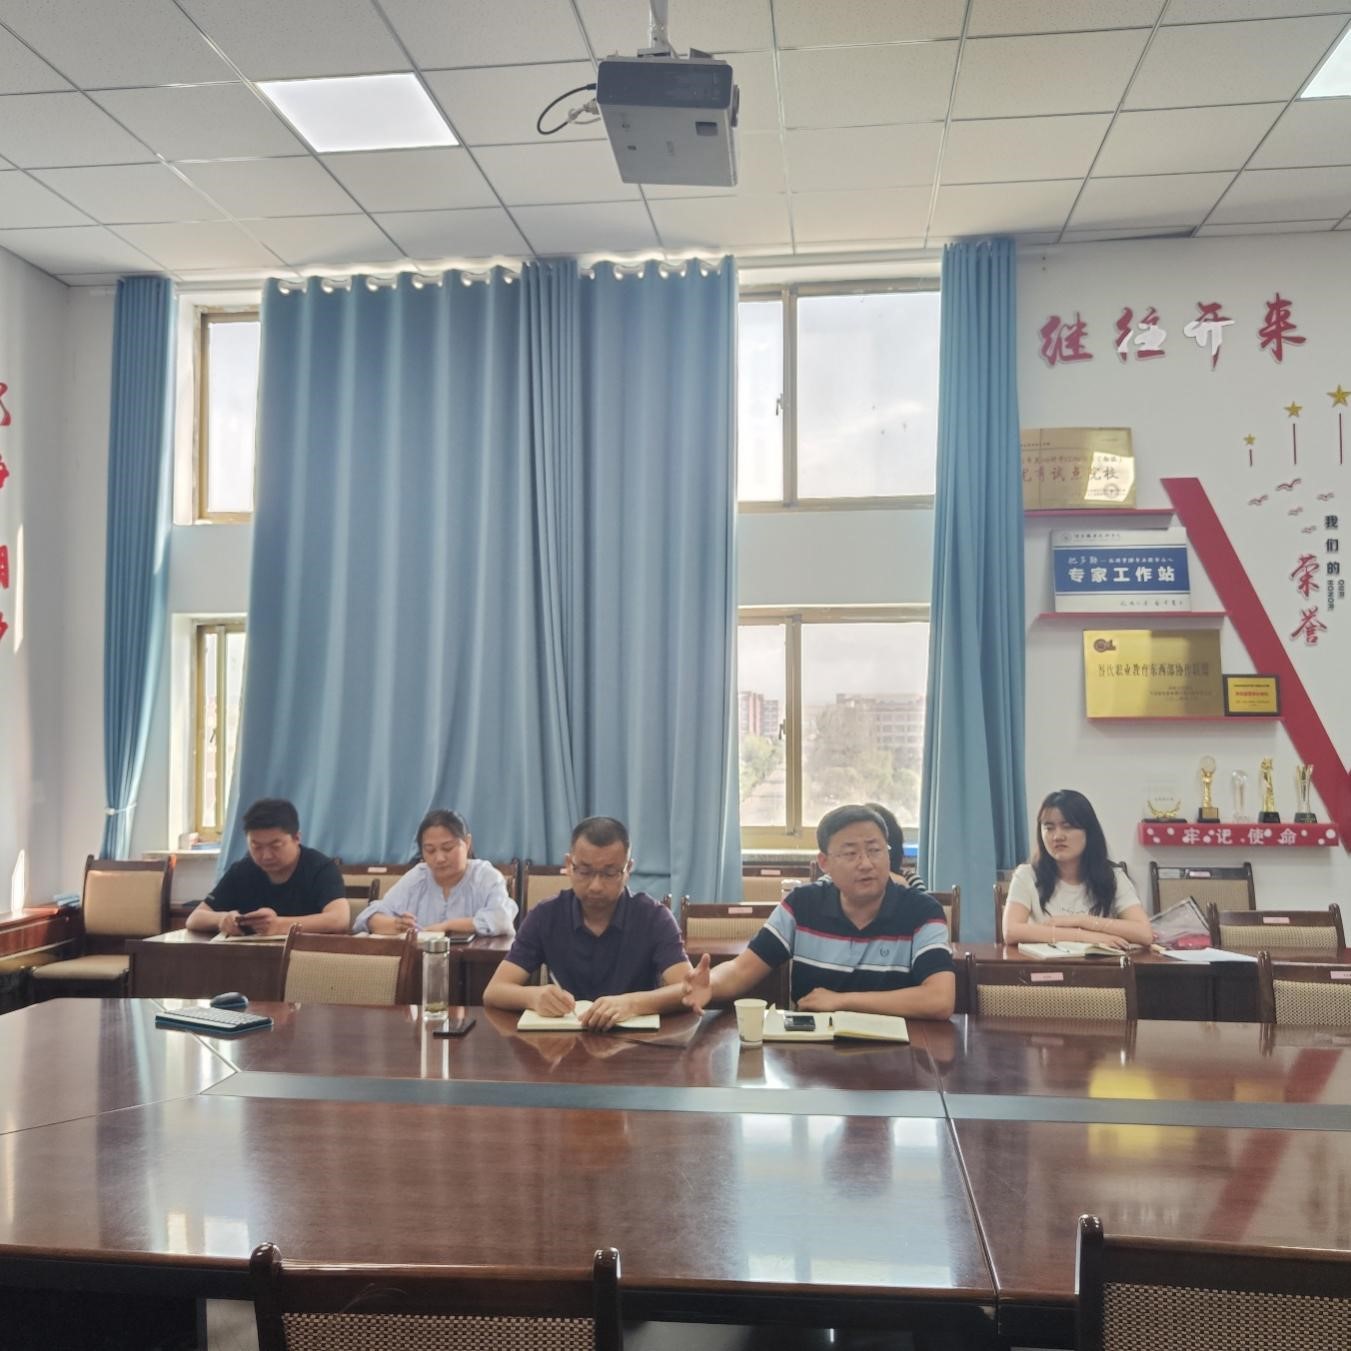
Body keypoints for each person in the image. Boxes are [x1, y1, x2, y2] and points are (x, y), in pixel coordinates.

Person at [684, 804, 955, 1020]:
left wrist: (842, 1002)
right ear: (824, 862)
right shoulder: (802, 905)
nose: (866, 863)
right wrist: (712, 984)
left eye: (875, 850)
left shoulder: (923, 911)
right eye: (850, 854)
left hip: (898, 1053)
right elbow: (742, 969)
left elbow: (940, 999)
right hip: (811, 1051)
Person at [483, 816, 693, 1030]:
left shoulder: (654, 918)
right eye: (585, 871)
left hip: (638, 1041)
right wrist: (533, 997)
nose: (596, 886)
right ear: (569, 865)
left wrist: (633, 1004)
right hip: (564, 1041)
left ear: (628, 869)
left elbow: (688, 989)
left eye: (609, 873)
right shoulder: (545, 916)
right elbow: (494, 991)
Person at [1001, 789, 1153, 949]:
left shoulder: (1112, 876)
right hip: (1046, 965)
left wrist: (1080, 921)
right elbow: (1011, 931)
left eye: (1067, 827)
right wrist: (1085, 937)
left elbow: (1144, 933)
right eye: (1049, 828)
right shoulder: (1027, 875)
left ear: (1089, 831)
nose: (1057, 836)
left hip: (1099, 964)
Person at [186, 798, 348, 936]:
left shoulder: (321, 868)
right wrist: (222, 919)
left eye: (275, 846)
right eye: (256, 846)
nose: (266, 856)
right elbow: (195, 918)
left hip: (304, 958)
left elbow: (339, 919)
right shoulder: (241, 871)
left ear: (296, 838)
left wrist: (279, 925)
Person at [354, 809, 516, 937]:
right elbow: (369, 917)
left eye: (448, 848)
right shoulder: (418, 877)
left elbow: (501, 918)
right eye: (430, 850)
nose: (439, 858)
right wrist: (396, 924)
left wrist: (447, 926)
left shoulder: (485, 876)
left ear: (467, 843)